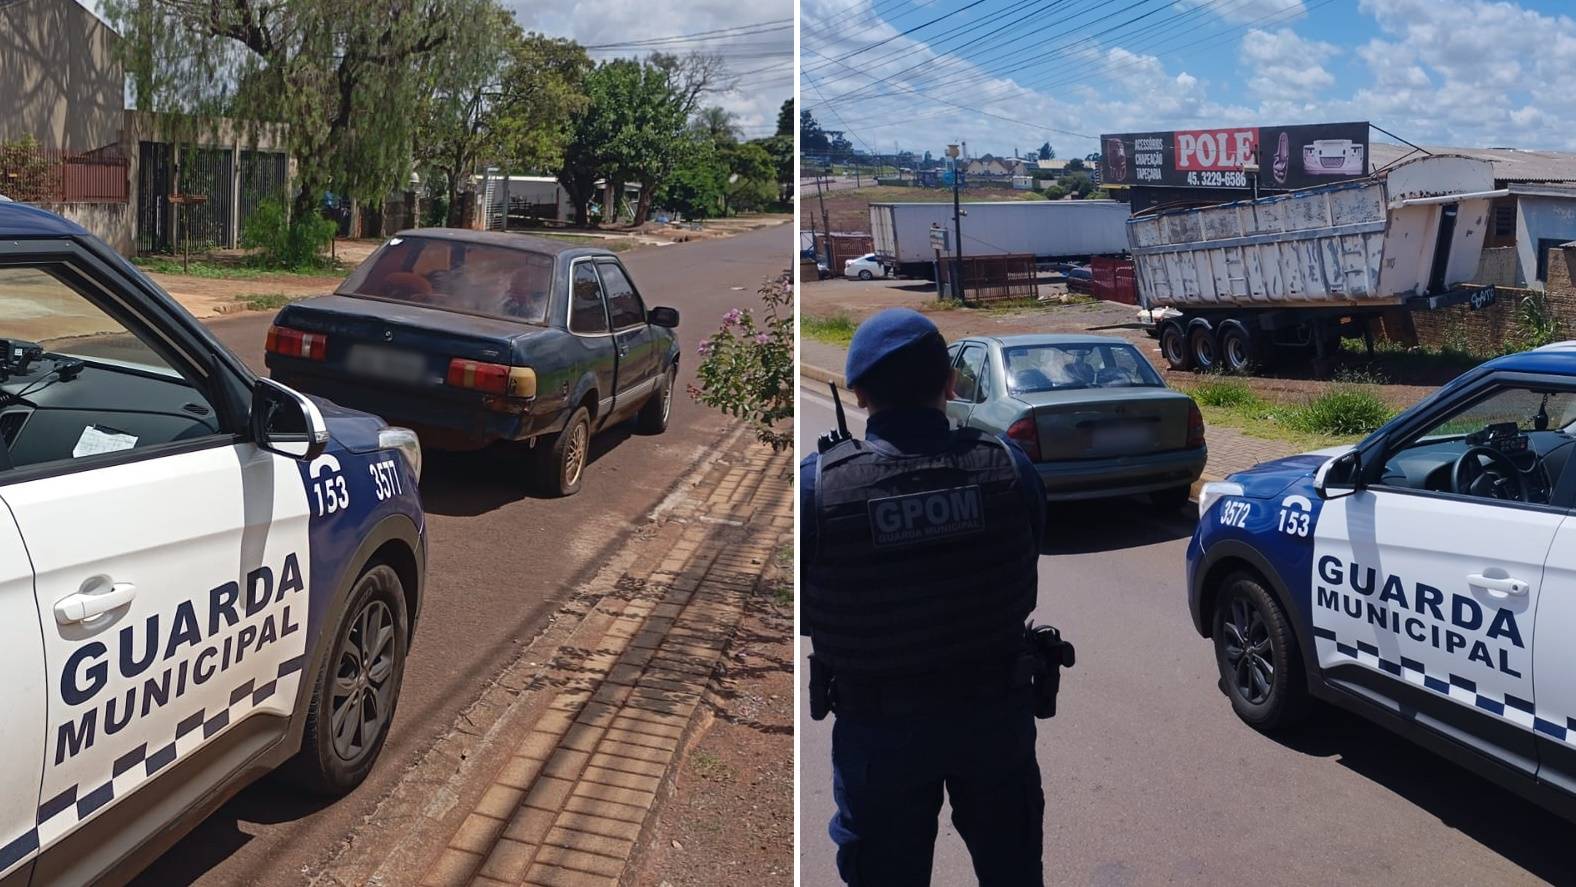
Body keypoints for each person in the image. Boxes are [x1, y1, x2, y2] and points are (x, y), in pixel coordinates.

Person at [802, 308, 1049, 886]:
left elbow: (811, 603)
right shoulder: (1008, 468)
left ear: (859, 394)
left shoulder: (819, 485)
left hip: (879, 737)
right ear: (951, 384)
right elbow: (1029, 554)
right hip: (994, 722)